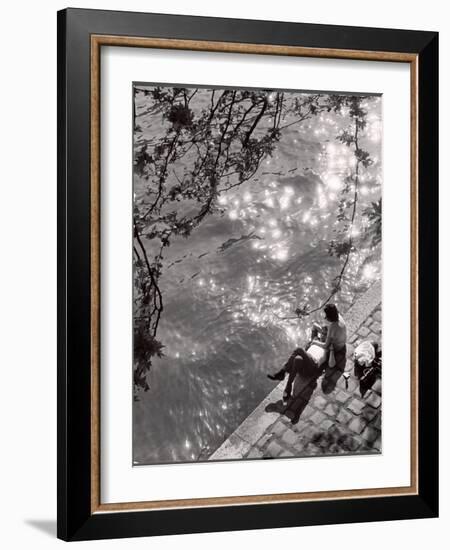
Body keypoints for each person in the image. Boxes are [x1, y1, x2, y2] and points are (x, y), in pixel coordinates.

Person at [267, 303, 347, 399]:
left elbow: (331, 362)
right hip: (305, 366)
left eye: (326, 333)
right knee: (297, 359)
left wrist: (316, 342)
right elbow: (314, 327)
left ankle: (283, 372)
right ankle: (288, 386)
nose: (325, 333)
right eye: (324, 332)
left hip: (313, 366)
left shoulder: (329, 346)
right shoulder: (320, 336)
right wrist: (318, 334)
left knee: (299, 350)